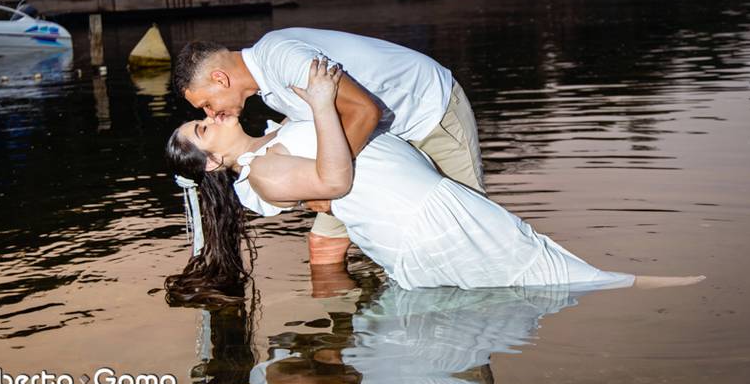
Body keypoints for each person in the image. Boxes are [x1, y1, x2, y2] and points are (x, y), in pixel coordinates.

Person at [165, 58, 704, 293]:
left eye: (203, 114)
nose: (212, 116)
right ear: (213, 163)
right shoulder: (261, 177)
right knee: (539, 277)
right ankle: (648, 287)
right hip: (422, 225)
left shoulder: (275, 136)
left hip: (435, 205)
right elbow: (334, 183)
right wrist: (326, 104)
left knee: (539, 268)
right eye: (203, 129)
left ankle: (637, 285)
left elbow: (328, 196)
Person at [172, 28, 484, 266]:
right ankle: (334, 344)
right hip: (381, 140)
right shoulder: (269, 91)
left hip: (429, 113)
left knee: (470, 232)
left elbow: (364, 112)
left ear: (220, 79)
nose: (211, 114)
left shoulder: (281, 58)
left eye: (207, 104)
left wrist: (325, 188)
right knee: (324, 244)